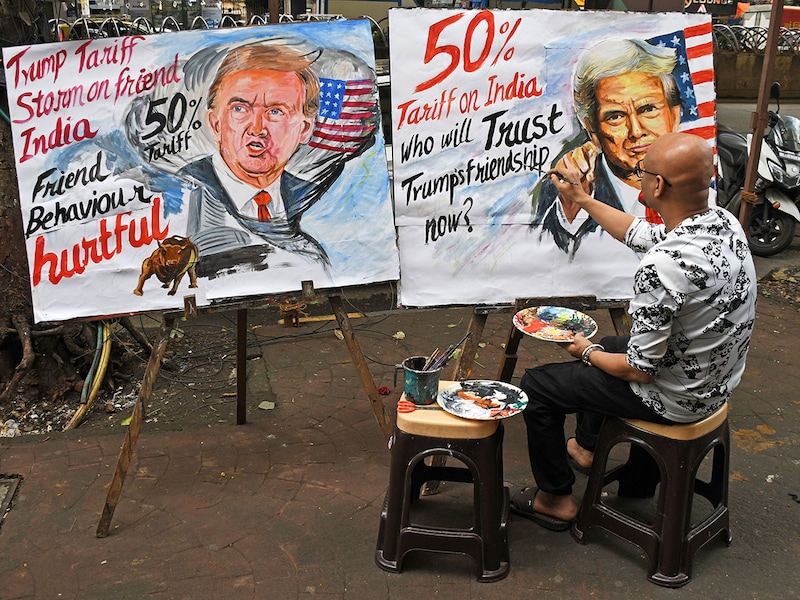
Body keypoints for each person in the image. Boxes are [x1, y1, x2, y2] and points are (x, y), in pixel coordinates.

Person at [511, 132, 757, 531]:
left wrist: (585, 352)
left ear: (657, 185)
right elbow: (637, 232)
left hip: (676, 398)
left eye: (643, 171)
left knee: (539, 385)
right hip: (715, 383)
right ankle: (595, 452)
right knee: (612, 343)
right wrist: (585, 200)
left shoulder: (661, 268)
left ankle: (554, 497)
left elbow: (640, 370)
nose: (638, 177)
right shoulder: (722, 223)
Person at [180, 43, 327, 271]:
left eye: (275, 112)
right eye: (240, 109)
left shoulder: (315, 200)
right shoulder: (179, 195)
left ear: (305, 129)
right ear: (215, 124)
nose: (257, 128)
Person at [531, 38, 683, 259]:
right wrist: (573, 208)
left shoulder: (696, 179)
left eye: (648, 109)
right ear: (592, 129)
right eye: (616, 116)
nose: (636, 131)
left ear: (675, 116)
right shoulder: (563, 190)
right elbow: (542, 253)